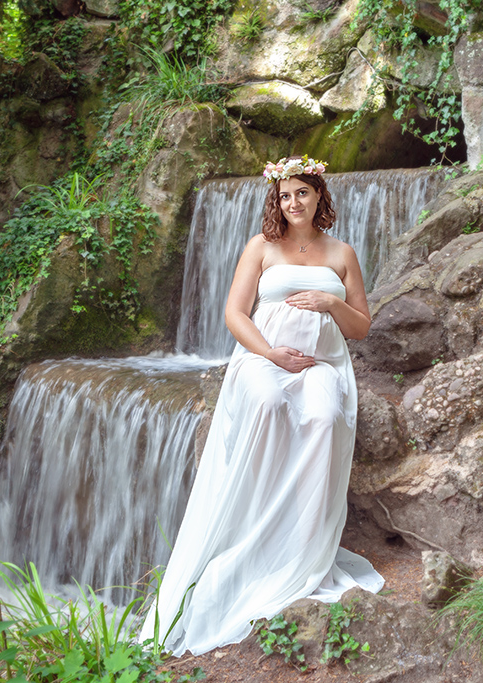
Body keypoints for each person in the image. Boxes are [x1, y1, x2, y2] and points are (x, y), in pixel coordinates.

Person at [140, 155, 385, 656]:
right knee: (270, 404)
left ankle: (302, 545)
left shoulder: (342, 253)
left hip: (321, 365)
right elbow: (234, 313)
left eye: (302, 192)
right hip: (262, 359)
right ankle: (253, 524)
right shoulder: (261, 246)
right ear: (277, 200)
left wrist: (331, 303)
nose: (293, 202)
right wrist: (270, 353)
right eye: (284, 195)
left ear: (319, 195)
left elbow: (360, 327)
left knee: (325, 417)